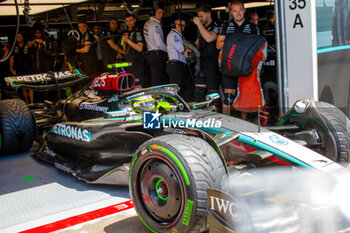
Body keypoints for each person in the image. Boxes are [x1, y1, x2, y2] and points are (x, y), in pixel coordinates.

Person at [217, 0, 260, 117]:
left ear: (244, 10)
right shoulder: (226, 25)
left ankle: (243, 122)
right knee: (228, 95)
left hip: (244, 65)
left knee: (244, 94)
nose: (238, 13)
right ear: (231, 12)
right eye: (235, 11)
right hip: (229, 64)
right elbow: (218, 45)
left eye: (240, 10)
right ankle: (226, 121)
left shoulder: (253, 27)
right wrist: (234, 42)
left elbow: (259, 46)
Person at [193, 3, 221, 102]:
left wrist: (199, 24)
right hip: (201, 63)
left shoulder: (216, 25)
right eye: (198, 16)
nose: (199, 19)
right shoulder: (201, 27)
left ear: (208, 14)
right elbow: (198, 41)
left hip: (212, 64)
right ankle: (200, 114)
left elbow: (209, 38)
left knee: (212, 95)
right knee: (199, 91)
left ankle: (215, 114)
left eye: (201, 16)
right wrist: (190, 48)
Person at [166, 18, 193, 101]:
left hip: (180, 65)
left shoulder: (180, 35)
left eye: (183, 26)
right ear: (174, 26)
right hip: (175, 65)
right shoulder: (174, 35)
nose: (182, 27)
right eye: (179, 25)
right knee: (175, 89)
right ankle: (173, 105)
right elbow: (182, 50)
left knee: (189, 86)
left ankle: (182, 103)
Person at [144, 7, 168, 85]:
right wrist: (168, 50)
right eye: (159, 13)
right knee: (157, 80)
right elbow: (159, 43)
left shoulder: (147, 23)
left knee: (154, 78)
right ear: (153, 13)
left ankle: (156, 96)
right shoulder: (155, 25)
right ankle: (156, 96)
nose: (161, 15)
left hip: (150, 54)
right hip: (157, 54)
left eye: (162, 13)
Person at [121, 14, 145, 88]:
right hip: (129, 62)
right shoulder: (126, 32)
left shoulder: (137, 32)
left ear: (135, 20)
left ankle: (141, 99)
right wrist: (124, 40)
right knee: (131, 85)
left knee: (138, 86)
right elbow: (125, 50)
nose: (129, 23)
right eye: (127, 21)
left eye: (131, 20)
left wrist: (127, 40)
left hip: (137, 62)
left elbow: (139, 48)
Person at [9, 33, 34, 104]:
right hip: (19, 68)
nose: (19, 38)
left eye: (20, 37)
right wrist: (11, 68)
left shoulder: (27, 45)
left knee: (31, 86)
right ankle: (27, 101)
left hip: (28, 68)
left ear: (22, 37)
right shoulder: (14, 46)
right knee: (23, 87)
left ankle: (32, 103)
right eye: (17, 37)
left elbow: (32, 56)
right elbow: (12, 58)